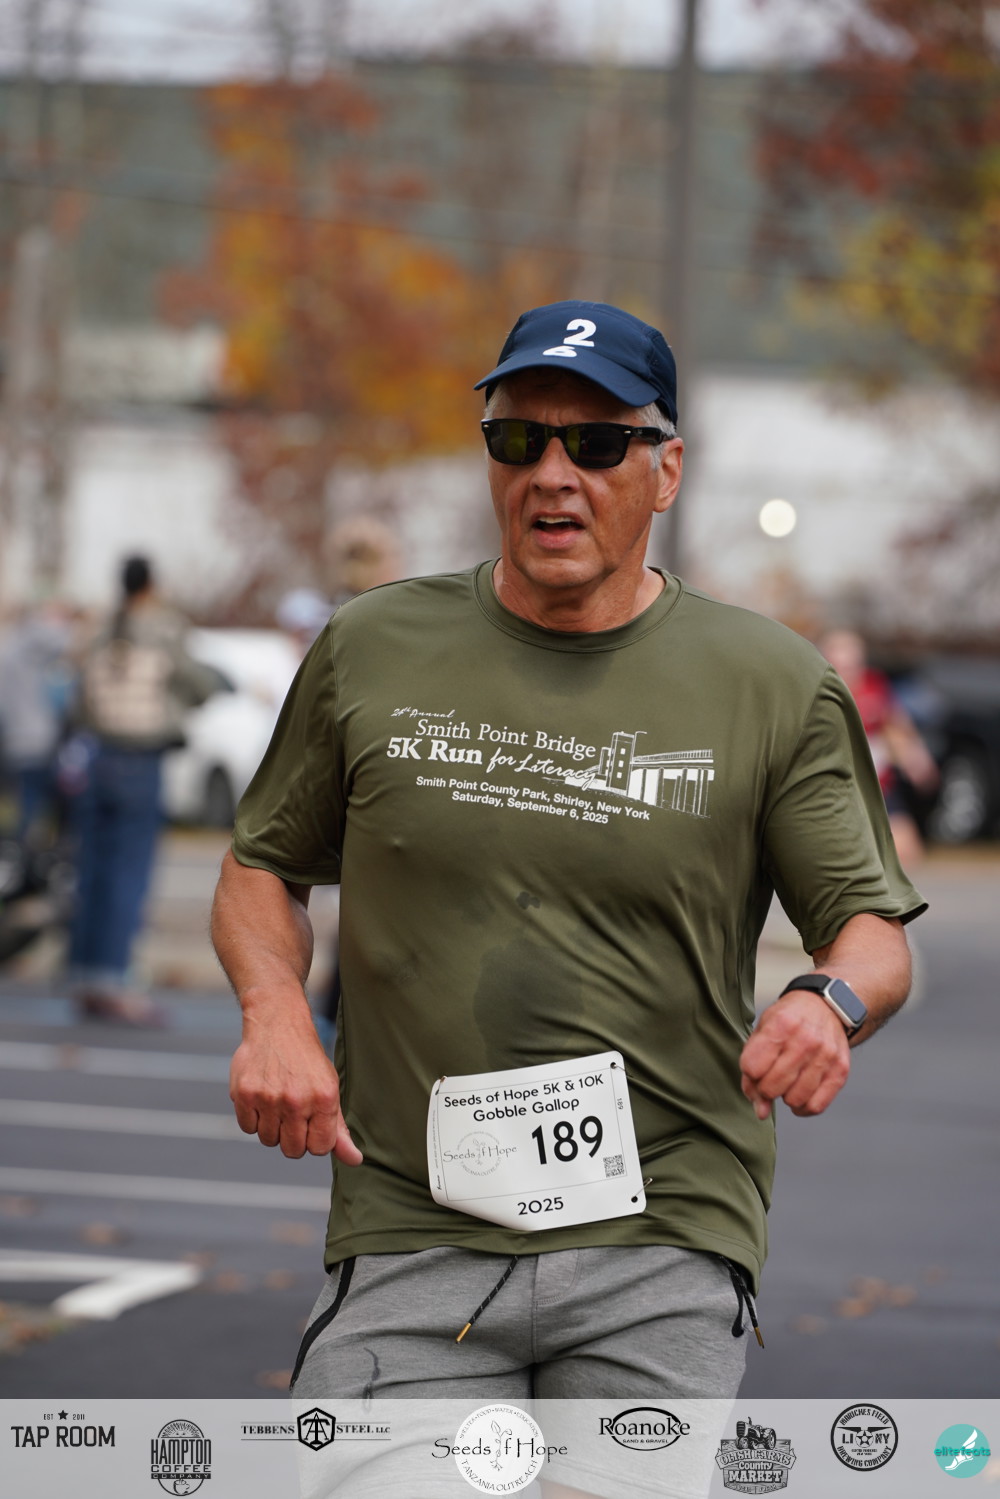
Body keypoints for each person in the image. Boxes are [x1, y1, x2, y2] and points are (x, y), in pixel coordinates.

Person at [212, 301, 924, 1468]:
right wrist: (275, 1012)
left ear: (665, 469)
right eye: (518, 438)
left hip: (662, 1231)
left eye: (596, 443)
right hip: (414, 1223)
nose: (553, 472)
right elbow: (260, 864)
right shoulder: (370, 645)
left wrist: (824, 1001)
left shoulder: (771, 682)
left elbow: (872, 929)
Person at [68, 556, 217, 1024]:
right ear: (150, 584)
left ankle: (85, 973)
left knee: (93, 870)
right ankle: (115, 979)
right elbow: (197, 683)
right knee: (128, 875)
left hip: (98, 755)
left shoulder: (98, 628)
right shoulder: (163, 627)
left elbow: (76, 699)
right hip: (140, 760)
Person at [819, 628, 939, 869]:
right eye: (839, 657)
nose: (847, 665)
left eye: (852, 657)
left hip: (879, 786)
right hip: (836, 789)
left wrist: (916, 757)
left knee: (907, 852)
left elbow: (895, 724)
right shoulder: (820, 691)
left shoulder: (875, 685)